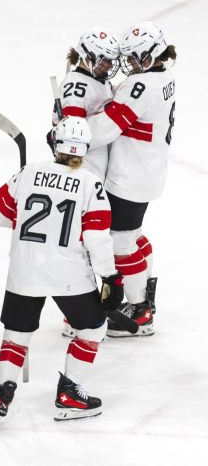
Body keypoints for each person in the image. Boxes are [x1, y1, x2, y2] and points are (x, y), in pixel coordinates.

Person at [0, 116, 121, 425]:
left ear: (54, 143)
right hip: (69, 273)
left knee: (16, 335)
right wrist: (110, 276)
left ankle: (2, 394)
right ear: (84, 149)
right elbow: (96, 237)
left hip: (24, 268)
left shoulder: (28, 171)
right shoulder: (90, 182)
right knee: (92, 329)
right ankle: (70, 393)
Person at [87, 22, 175, 335]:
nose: (131, 64)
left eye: (138, 57)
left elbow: (109, 126)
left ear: (154, 54)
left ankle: (138, 310)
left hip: (130, 176)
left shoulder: (141, 86)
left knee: (121, 241)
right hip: (147, 171)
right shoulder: (162, 76)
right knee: (133, 236)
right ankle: (146, 297)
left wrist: (72, 135)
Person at [54, 28, 119, 180]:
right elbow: (73, 139)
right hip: (82, 171)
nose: (110, 65)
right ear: (88, 56)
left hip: (96, 167)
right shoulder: (77, 87)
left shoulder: (97, 80)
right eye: (105, 59)